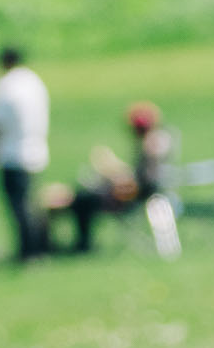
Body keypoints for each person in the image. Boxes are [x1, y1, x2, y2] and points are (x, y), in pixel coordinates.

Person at [57, 101, 173, 253]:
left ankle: (83, 244)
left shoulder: (151, 147)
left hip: (132, 198)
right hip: (134, 194)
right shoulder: (156, 144)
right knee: (83, 194)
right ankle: (81, 243)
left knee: (83, 199)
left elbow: (142, 183)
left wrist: (114, 175)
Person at [0, 46, 49, 259]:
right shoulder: (34, 82)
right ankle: (40, 246)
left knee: (19, 207)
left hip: (11, 153)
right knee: (32, 203)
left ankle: (28, 251)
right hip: (36, 150)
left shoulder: (5, 86)